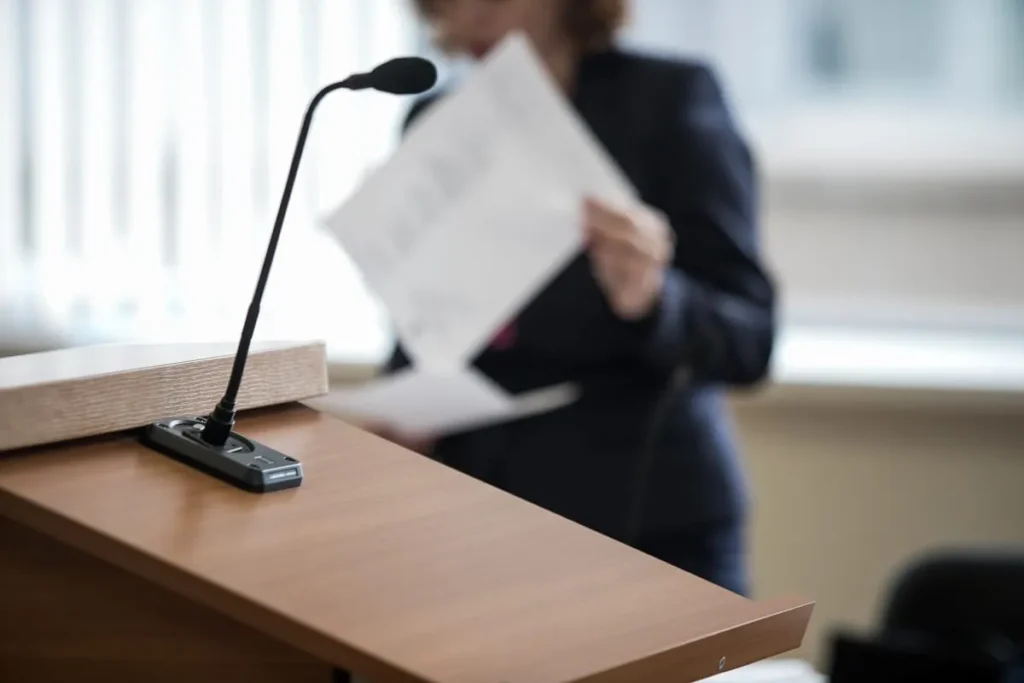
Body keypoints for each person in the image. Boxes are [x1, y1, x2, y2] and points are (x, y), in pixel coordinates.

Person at [379, 0, 776, 597]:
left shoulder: (668, 100)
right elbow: (425, 329)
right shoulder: (434, 122)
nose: (476, 19)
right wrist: (403, 411)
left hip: (649, 523)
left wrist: (654, 296)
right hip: (481, 515)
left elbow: (752, 339)